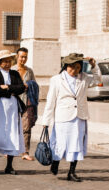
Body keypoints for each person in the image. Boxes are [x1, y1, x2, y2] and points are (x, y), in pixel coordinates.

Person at [42, 53, 101, 182]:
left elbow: (98, 80)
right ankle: (56, 162)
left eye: (78, 67)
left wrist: (93, 66)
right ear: (66, 66)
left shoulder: (84, 78)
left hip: (79, 117)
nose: (74, 70)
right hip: (63, 117)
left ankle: (72, 172)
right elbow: (51, 101)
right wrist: (46, 121)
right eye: (71, 67)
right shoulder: (56, 80)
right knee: (60, 144)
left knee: (76, 144)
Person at [12, 47, 38, 161]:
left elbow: (35, 85)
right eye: (21, 56)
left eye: (25, 57)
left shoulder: (29, 71)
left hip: (27, 102)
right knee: (12, 127)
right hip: (13, 101)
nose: (23, 59)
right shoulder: (12, 70)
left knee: (26, 127)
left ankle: (25, 151)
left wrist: (30, 85)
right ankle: (10, 150)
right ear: (17, 56)